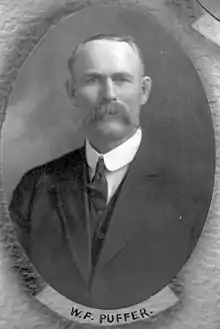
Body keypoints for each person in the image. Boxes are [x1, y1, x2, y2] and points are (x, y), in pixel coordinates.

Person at [9, 34, 208, 310]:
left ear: (144, 90)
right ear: (72, 92)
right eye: (93, 80)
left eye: (122, 79)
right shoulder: (34, 189)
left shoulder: (191, 194)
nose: (109, 94)